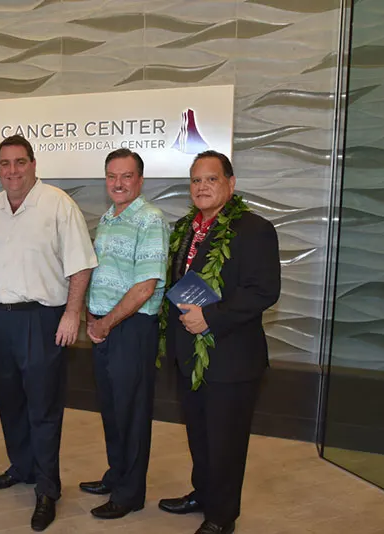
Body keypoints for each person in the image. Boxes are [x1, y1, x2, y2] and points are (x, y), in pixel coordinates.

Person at [157, 151, 281, 534]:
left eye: (211, 179)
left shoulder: (255, 229)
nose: (202, 187)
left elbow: (264, 291)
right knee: (199, 432)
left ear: (231, 183)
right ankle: (203, 493)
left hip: (232, 359)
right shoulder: (184, 228)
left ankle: (222, 516)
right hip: (190, 356)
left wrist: (209, 318)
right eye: (196, 180)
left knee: (226, 441)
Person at [0, 135, 97, 531]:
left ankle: (47, 488)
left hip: (43, 319)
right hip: (0, 320)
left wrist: (72, 313)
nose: (12, 171)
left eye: (19, 162)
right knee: (10, 402)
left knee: (43, 408)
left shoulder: (58, 204)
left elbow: (81, 265)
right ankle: (23, 467)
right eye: (5, 163)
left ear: (33, 163)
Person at [80, 148, 168, 519]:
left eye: (126, 176)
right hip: (106, 328)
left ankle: (130, 493)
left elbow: (145, 287)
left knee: (131, 413)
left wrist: (104, 323)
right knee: (113, 410)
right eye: (112, 176)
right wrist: (90, 314)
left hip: (130, 329)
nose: (118, 183)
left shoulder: (150, 219)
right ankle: (117, 476)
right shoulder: (109, 216)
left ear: (140, 180)